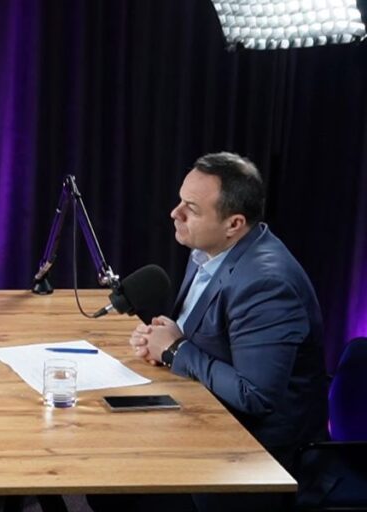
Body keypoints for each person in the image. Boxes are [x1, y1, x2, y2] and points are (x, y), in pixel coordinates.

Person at [91, 152, 329, 512]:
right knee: (105, 474)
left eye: (191, 209)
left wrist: (175, 350)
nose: (175, 213)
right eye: (179, 201)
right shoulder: (211, 249)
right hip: (204, 417)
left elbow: (256, 395)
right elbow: (207, 335)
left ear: (234, 223)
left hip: (254, 458)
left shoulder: (266, 284)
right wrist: (164, 336)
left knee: (117, 489)